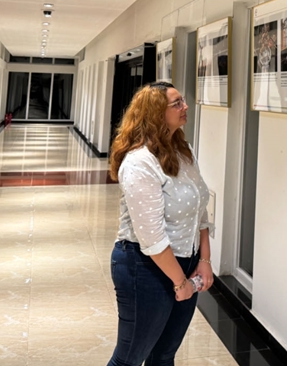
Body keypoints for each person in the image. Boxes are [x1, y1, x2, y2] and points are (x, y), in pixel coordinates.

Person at [107, 82, 213, 366]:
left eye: (183, 101)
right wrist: (180, 283)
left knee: (164, 355)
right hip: (144, 268)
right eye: (177, 103)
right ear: (155, 113)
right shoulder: (139, 162)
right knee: (129, 358)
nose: (185, 107)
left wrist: (204, 259)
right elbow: (151, 237)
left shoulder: (183, 151)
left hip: (186, 263)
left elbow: (200, 210)